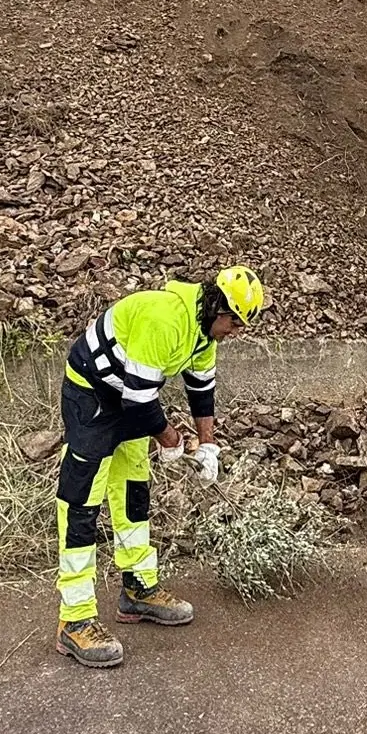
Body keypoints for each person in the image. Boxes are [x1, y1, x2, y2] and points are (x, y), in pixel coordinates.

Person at [53, 266, 267, 668]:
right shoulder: (164, 318)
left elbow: (202, 389)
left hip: (129, 397)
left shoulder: (203, 332)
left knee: (134, 494)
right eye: (234, 321)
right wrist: (170, 440)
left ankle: (137, 589)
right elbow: (140, 400)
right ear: (216, 306)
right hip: (92, 397)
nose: (235, 331)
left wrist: (209, 445)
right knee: (82, 503)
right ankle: (75, 618)